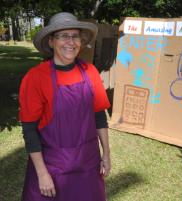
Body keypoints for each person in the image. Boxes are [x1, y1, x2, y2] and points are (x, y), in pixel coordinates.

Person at [19, 12, 111, 201]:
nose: (70, 41)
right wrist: (42, 174)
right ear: (51, 41)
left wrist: (107, 154)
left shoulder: (90, 71)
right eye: (63, 36)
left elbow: (99, 116)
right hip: (52, 169)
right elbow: (29, 131)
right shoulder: (36, 77)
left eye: (75, 35)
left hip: (88, 165)